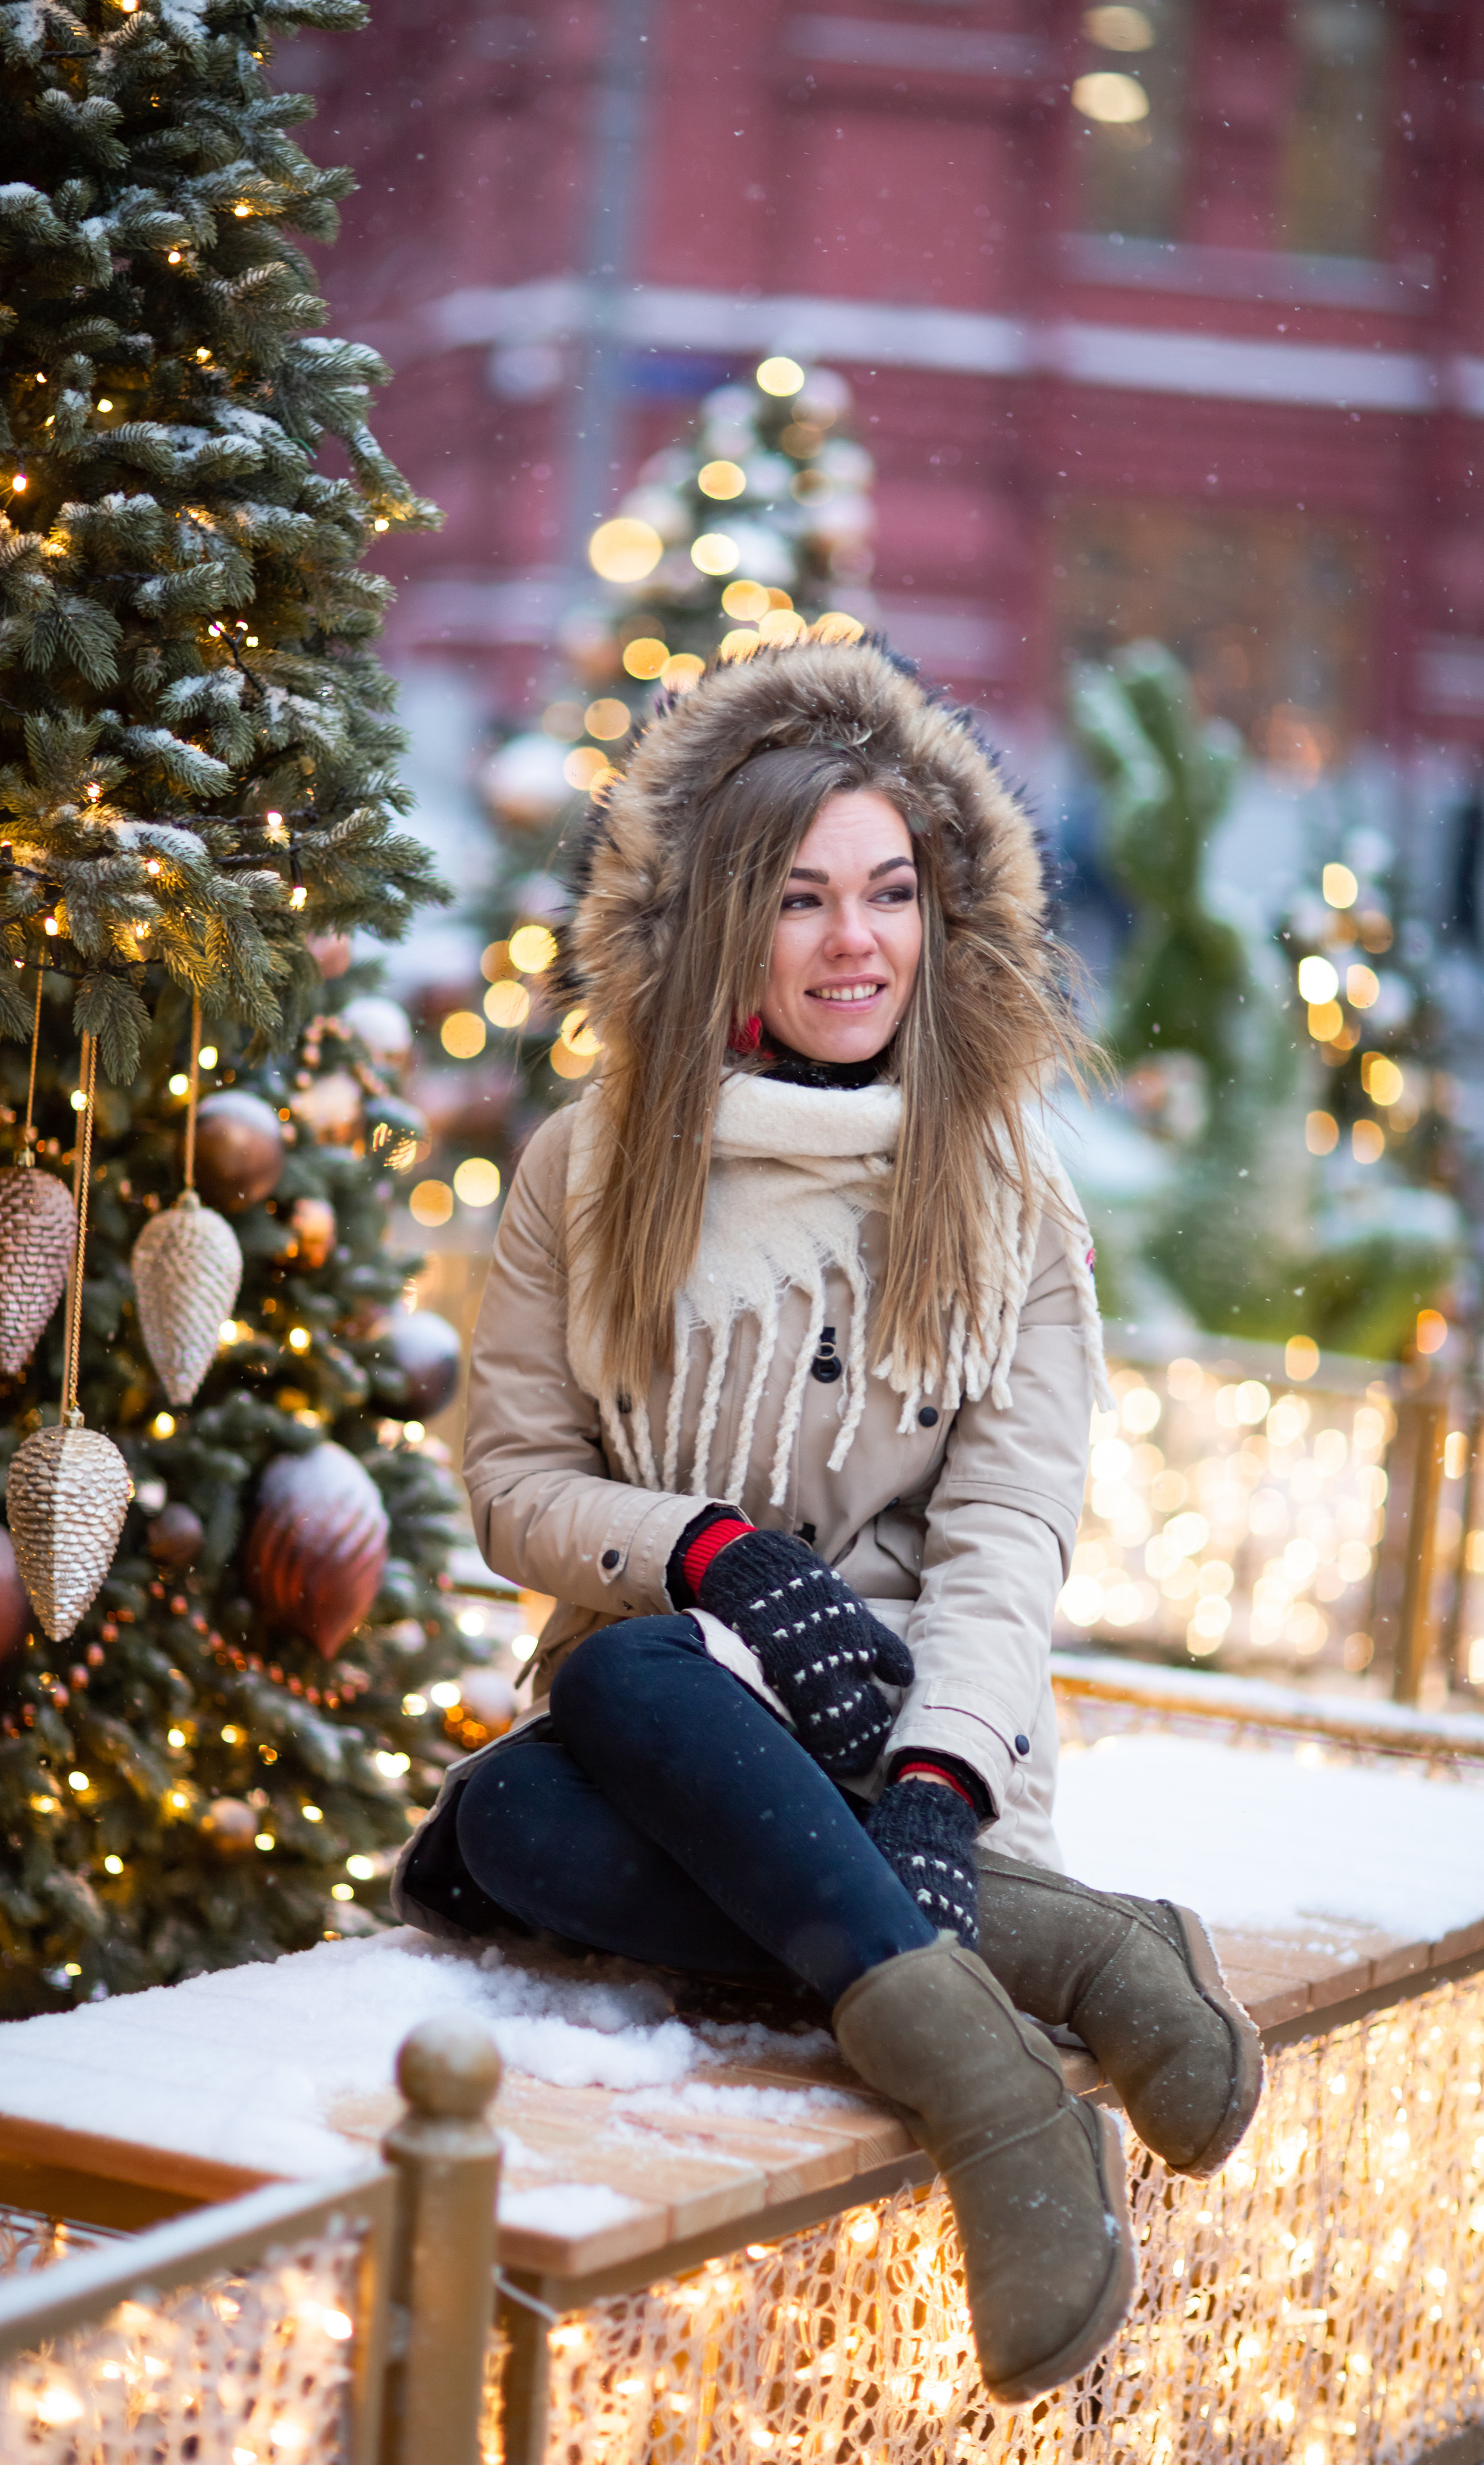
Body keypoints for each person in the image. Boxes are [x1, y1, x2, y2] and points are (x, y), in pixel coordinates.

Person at [394, 632, 1262, 2404]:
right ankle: (1032, 2008)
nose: (855, 944)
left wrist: (941, 1781)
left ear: (942, 915)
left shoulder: (1004, 1182)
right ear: (725, 916)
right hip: (675, 1711)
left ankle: (966, 1996)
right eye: (802, 899)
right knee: (541, 1797)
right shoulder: (595, 1158)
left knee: (564, 1767)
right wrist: (716, 1555)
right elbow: (513, 1484)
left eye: (890, 894)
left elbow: (1009, 1538)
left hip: (896, 1737)